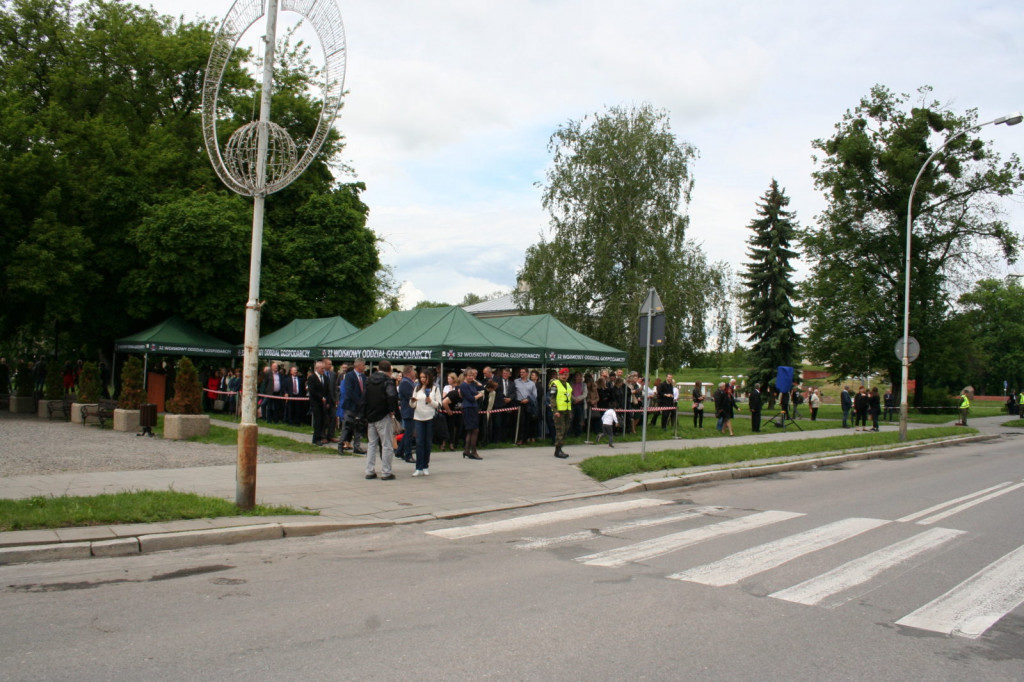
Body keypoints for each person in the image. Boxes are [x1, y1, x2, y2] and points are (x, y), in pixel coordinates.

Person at [363, 360, 400, 480]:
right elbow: (392, 395)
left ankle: (369, 470)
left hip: (370, 416)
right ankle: (386, 471)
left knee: (371, 444)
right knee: (386, 444)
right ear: (389, 370)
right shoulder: (387, 381)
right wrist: (392, 409)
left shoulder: (369, 380)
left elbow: (364, 397)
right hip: (383, 415)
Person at [409, 371, 439, 476]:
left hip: (430, 417)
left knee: (427, 443)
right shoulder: (416, 388)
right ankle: (418, 467)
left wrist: (430, 401)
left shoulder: (435, 388)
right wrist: (412, 401)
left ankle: (426, 465)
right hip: (418, 417)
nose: (422, 379)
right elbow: (412, 405)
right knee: (419, 442)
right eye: (421, 377)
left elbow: (438, 405)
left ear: (429, 377)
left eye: (424, 377)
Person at [340, 358, 367, 455]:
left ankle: (357, 446)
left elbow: (364, 391)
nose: (364, 367)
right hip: (351, 406)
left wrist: (363, 402)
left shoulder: (364, 377)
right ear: (359, 365)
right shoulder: (349, 376)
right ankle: (341, 444)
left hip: (360, 407)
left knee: (358, 427)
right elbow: (349, 391)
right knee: (347, 426)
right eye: (363, 365)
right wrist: (358, 401)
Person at [306, 360, 332, 445]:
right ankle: (316, 438)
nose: (323, 370)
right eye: (321, 368)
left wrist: (327, 400)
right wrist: (321, 397)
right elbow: (312, 391)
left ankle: (320, 437)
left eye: (324, 368)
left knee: (323, 420)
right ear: (317, 368)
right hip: (316, 403)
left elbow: (328, 391)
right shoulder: (312, 378)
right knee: (318, 420)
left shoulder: (325, 378)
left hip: (323, 403)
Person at [460, 369, 483, 459]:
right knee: (474, 430)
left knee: (471, 430)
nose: (471, 377)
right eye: (469, 375)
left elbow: (482, 388)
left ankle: (466, 450)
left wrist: (476, 382)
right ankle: (473, 451)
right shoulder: (463, 385)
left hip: (474, 407)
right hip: (468, 407)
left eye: (472, 376)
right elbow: (470, 398)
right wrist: (478, 396)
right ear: (465, 376)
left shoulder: (472, 384)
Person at [549, 367, 572, 458]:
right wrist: (555, 410)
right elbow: (552, 398)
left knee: (565, 430)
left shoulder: (568, 385)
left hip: (566, 411)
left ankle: (560, 448)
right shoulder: (555, 384)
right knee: (560, 430)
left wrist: (570, 411)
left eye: (566, 374)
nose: (564, 376)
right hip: (559, 411)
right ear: (559, 375)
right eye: (562, 374)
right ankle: (557, 450)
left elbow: (569, 399)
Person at [398, 365, 417, 463]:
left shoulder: (409, 382)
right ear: (409, 372)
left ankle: (400, 451)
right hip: (408, 411)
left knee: (408, 433)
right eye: (413, 371)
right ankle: (408, 454)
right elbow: (412, 396)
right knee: (409, 434)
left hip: (410, 411)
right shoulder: (405, 383)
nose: (415, 373)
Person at [514, 367, 538, 445]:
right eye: (520, 372)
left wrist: (528, 399)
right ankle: (519, 439)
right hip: (518, 403)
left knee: (526, 422)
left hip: (528, 404)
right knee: (519, 422)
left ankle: (525, 438)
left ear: (527, 373)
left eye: (523, 372)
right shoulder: (516, 381)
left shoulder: (532, 383)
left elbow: (534, 395)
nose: (521, 374)